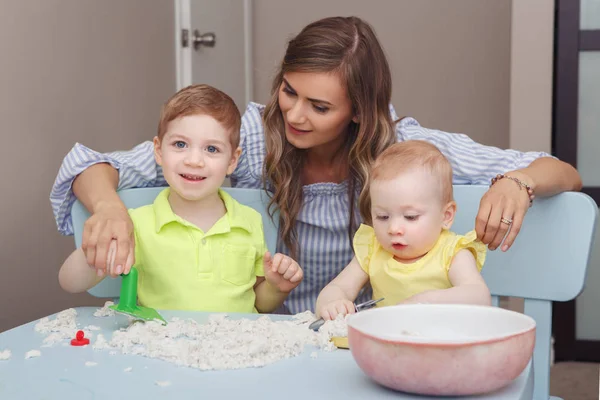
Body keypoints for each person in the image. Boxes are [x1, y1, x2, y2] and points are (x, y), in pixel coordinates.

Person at [50, 16, 581, 314]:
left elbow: (560, 169)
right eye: (289, 91)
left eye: (320, 107)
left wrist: (519, 182)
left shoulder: (400, 147)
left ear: (360, 112)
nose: (295, 115)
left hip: (366, 333)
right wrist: (108, 206)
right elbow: (95, 165)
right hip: (272, 329)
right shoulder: (249, 139)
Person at [58, 84, 303, 314]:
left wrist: (276, 287)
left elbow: (258, 304)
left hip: (232, 351)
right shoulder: (135, 224)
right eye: (180, 144)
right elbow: (70, 283)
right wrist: (98, 251)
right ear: (158, 150)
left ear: (232, 161)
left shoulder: (250, 221)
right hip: (162, 348)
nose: (194, 160)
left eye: (211, 149)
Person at [316, 141, 490, 320]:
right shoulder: (372, 249)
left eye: (410, 217)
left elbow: (479, 296)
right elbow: (339, 288)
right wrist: (333, 303)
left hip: (440, 340)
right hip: (386, 342)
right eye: (383, 217)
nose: (393, 229)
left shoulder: (452, 252)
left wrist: (428, 301)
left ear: (445, 216)